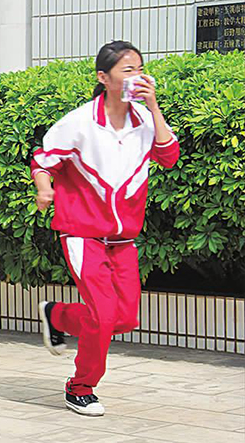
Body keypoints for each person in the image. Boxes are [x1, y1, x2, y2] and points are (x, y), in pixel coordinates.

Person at [32, 41, 179, 417]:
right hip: (82, 234)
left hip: (123, 239)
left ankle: (57, 315)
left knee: (124, 318)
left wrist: (154, 107)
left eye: (140, 69)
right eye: (127, 70)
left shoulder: (145, 120)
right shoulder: (79, 122)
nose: (137, 76)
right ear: (103, 77)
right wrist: (45, 188)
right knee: (102, 314)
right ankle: (80, 388)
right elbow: (43, 161)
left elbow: (169, 156)